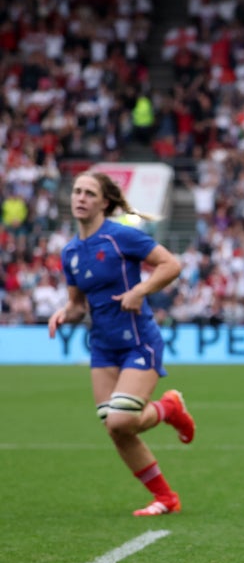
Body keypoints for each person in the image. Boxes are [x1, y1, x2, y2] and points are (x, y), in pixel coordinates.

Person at [47, 171, 195, 516]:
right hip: (102, 346)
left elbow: (171, 265)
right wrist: (62, 314)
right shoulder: (70, 252)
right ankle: (165, 498)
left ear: (105, 203)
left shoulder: (121, 237)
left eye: (89, 193)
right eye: (77, 191)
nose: (80, 197)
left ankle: (170, 408)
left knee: (118, 421)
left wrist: (140, 290)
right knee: (116, 428)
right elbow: (78, 305)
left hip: (138, 340)